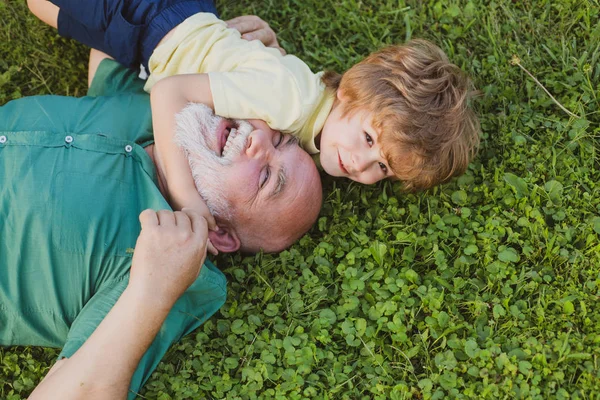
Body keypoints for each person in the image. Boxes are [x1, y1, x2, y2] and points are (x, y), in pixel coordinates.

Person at [0, 50, 322, 399]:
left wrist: (153, 291)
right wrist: (226, 47)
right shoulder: (163, 107)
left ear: (222, 236)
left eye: (265, 179)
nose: (258, 139)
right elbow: (111, 40)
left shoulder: (176, 272)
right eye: (278, 139)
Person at [27, 0, 481, 231]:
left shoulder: (308, 110)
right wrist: (188, 200)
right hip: (149, 20)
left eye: (381, 167)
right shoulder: (289, 102)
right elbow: (168, 93)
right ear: (348, 92)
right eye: (367, 139)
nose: (359, 165)